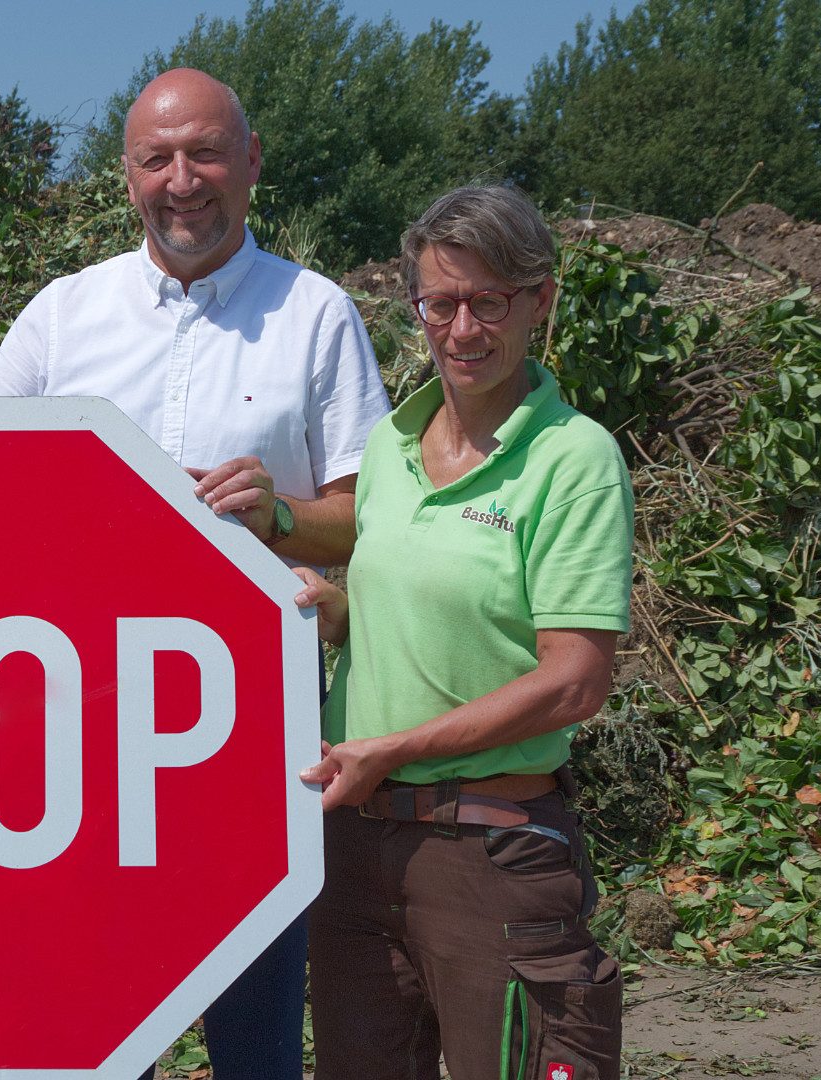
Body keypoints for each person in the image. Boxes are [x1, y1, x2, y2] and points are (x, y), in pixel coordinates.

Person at [0, 67, 390, 1080]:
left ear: (250, 163)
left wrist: (285, 517)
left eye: (205, 152)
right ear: (127, 177)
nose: (183, 180)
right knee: (94, 1028)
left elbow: (372, 524)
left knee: (254, 1039)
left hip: (249, 747)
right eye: (157, 158)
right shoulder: (65, 316)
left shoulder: (318, 315)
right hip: (76, 746)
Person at [295, 184, 632, 1080]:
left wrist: (394, 746)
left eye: (489, 301)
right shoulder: (391, 453)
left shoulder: (574, 459)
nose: (463, 329)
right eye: (439, 304)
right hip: (356, 851)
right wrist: (339, 619)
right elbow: (428, 618)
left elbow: (574, 681)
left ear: (541, 301)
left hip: (492, 851)